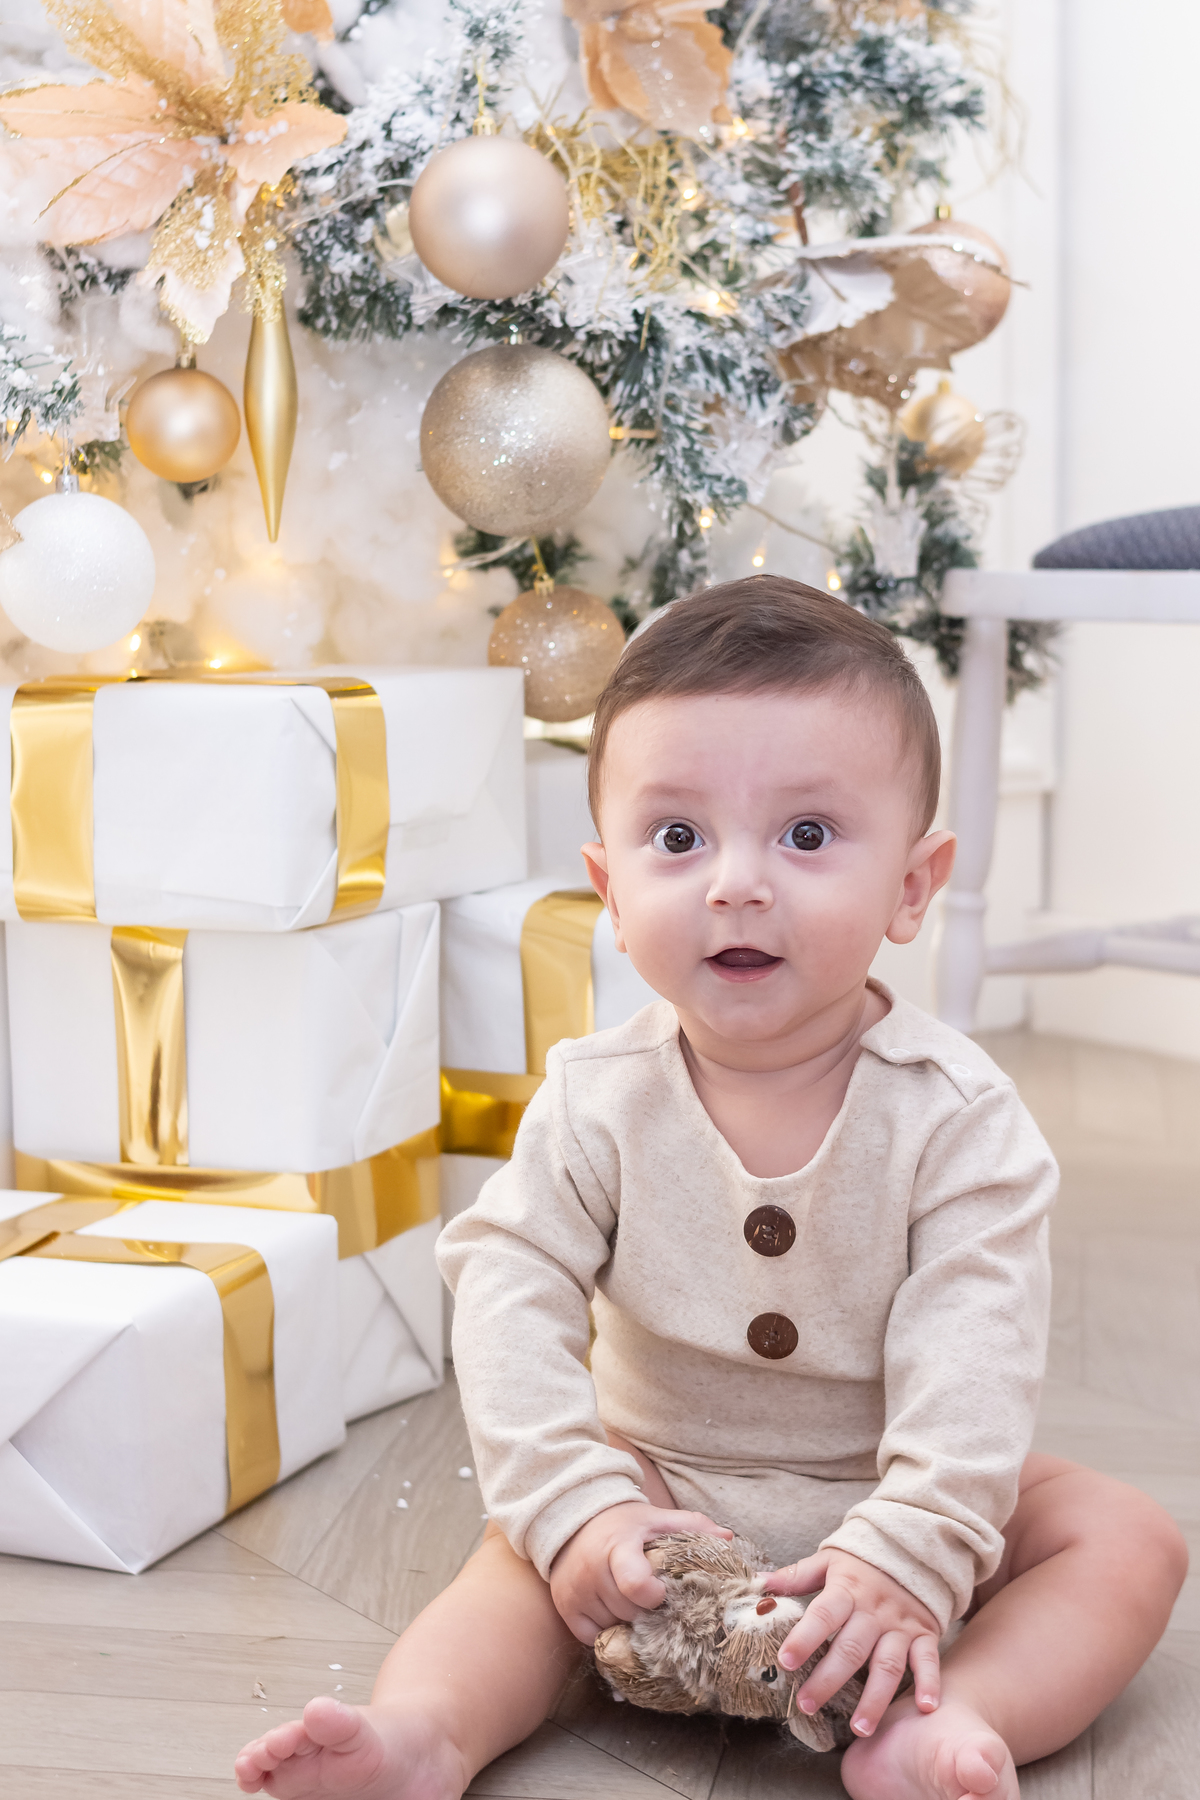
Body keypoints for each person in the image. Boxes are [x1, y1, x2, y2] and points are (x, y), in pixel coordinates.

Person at [235, 578, 1186, 1800]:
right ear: (611, 890)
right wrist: (575, 1507)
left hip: (882, 1478)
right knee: (510, 1571)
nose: (737, 883)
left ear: (913, 883)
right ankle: (424, 1735)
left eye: (805, 835)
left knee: (1126, 1542)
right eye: (677, 839)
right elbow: (507, 1290)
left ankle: (952, 1721)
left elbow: (978, 1355)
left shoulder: (961, 1120)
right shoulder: (595, 1097)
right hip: (660, 1487)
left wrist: (918, 1540)